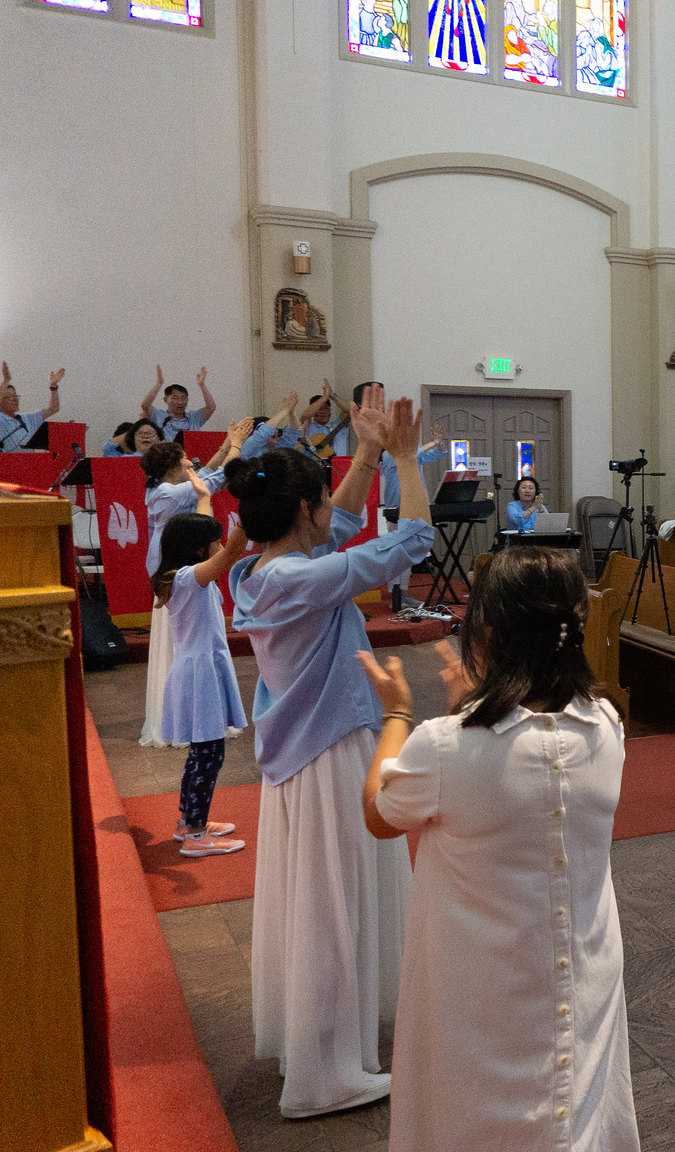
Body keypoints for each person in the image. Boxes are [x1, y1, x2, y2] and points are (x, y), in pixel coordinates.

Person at [358, 548, 639, 1152]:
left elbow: (379, 812)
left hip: (483, 984)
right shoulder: (607, 726)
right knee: (576, 1097)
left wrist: (399, 714)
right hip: (581, 967)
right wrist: (474, 704)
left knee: (477, 1109)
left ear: (485, 635)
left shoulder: (445, 747)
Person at [225, 391, 433, 1117]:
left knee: (321, 905)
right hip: (329, 753)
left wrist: (369, 453)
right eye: (319, 496)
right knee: (333, 908)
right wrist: (406, 460)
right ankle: (325, 1077)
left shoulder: (256, 572)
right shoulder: (301, 581)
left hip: (304, 757)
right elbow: (411, 542)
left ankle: (316, 1052)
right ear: (301, 510)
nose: (329, 510)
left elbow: (339, 521)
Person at [139, 420, 252, 748]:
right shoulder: (170, 492)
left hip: (179, 573)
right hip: (181, 575)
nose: (193, 462)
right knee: (183, 646)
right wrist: (236, 446)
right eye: (186, 459)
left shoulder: (162, 489)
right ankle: (185, 718)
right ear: (174, 467)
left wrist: (227, 444)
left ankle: (197, 714)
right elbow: (216, 480)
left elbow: (203, 480)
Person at [152, 507, 249, 858]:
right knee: (210, 754)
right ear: (197, 549)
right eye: (214, 541)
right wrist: (248, 514)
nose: (219, 545)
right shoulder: (188, 577)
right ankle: (195, 832)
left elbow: (224, 551)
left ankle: (188, 822)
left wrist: (207, 498)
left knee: (201, 753)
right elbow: (231, 553)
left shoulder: (184, 576)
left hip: (201, 669)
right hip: (199, 674)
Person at [141, 364, 218, 439]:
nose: (180, 402)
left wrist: (202, 385)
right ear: (165, 400)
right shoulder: (158, 416)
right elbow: (145, 405)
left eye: (183, 398)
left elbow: (211, 408)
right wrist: (158, 384)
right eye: (175, 398)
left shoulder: (194, 418)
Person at [0, 361, 62, 451]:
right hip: (7, 464)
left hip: (30, 463)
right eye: (9, 397)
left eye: (15, 396)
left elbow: (53, 408)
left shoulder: (27, 419)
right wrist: (6, 380)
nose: (14, 399)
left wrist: (53, 387)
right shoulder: (1, 420)